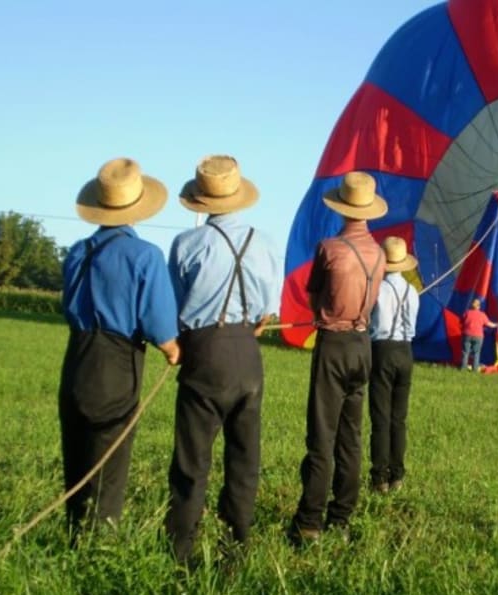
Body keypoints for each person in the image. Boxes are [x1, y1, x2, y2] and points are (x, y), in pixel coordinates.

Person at [163, 156, 281, 567]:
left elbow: (172, 308)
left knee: (192, 458)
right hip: (248, 354)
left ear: (201, 200)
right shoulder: (264, 243)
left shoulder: (186, 244)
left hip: (203, 351)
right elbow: (268, 310)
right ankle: (237, 543)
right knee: (245, 456)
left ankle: (180, 547)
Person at [58, 157, 180, 537]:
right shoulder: (145, 255)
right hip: (116, 360)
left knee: (76, 452)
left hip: (77, 355)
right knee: (109, 458)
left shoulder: (78, 251)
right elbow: (159, 322)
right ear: (136, 208)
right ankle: (101, 542)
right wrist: (172, 349)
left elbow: (67, 303)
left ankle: (75, 532)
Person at [289, 171, 387, 546]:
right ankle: (341, 518)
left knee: (321, 437)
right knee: (351, 437)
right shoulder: (379, 255)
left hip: (332, 343)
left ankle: (309, 521)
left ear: (342, 207)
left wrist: (325, 313)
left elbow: (314, 297)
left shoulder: (329, 248)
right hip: (363, 346)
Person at [367, 236, 420, 495]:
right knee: (399, 419)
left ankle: (379, 478)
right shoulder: (412, 292)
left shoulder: (376, 288)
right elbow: (413, 325)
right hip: (405, 351)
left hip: (382, 349)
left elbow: (369, 320)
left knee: (380, 418)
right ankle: (398, 475)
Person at [460, 298, 497, 372]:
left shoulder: (467, 313)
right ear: (479, 307)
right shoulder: (482, 315)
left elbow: (461, 322)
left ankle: (463, 369)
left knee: (465, 352)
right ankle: (475, 370)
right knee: (476, 353)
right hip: (478, 336)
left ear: (472, 305)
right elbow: (489, 324)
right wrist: (496, 325)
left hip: (467, 335)